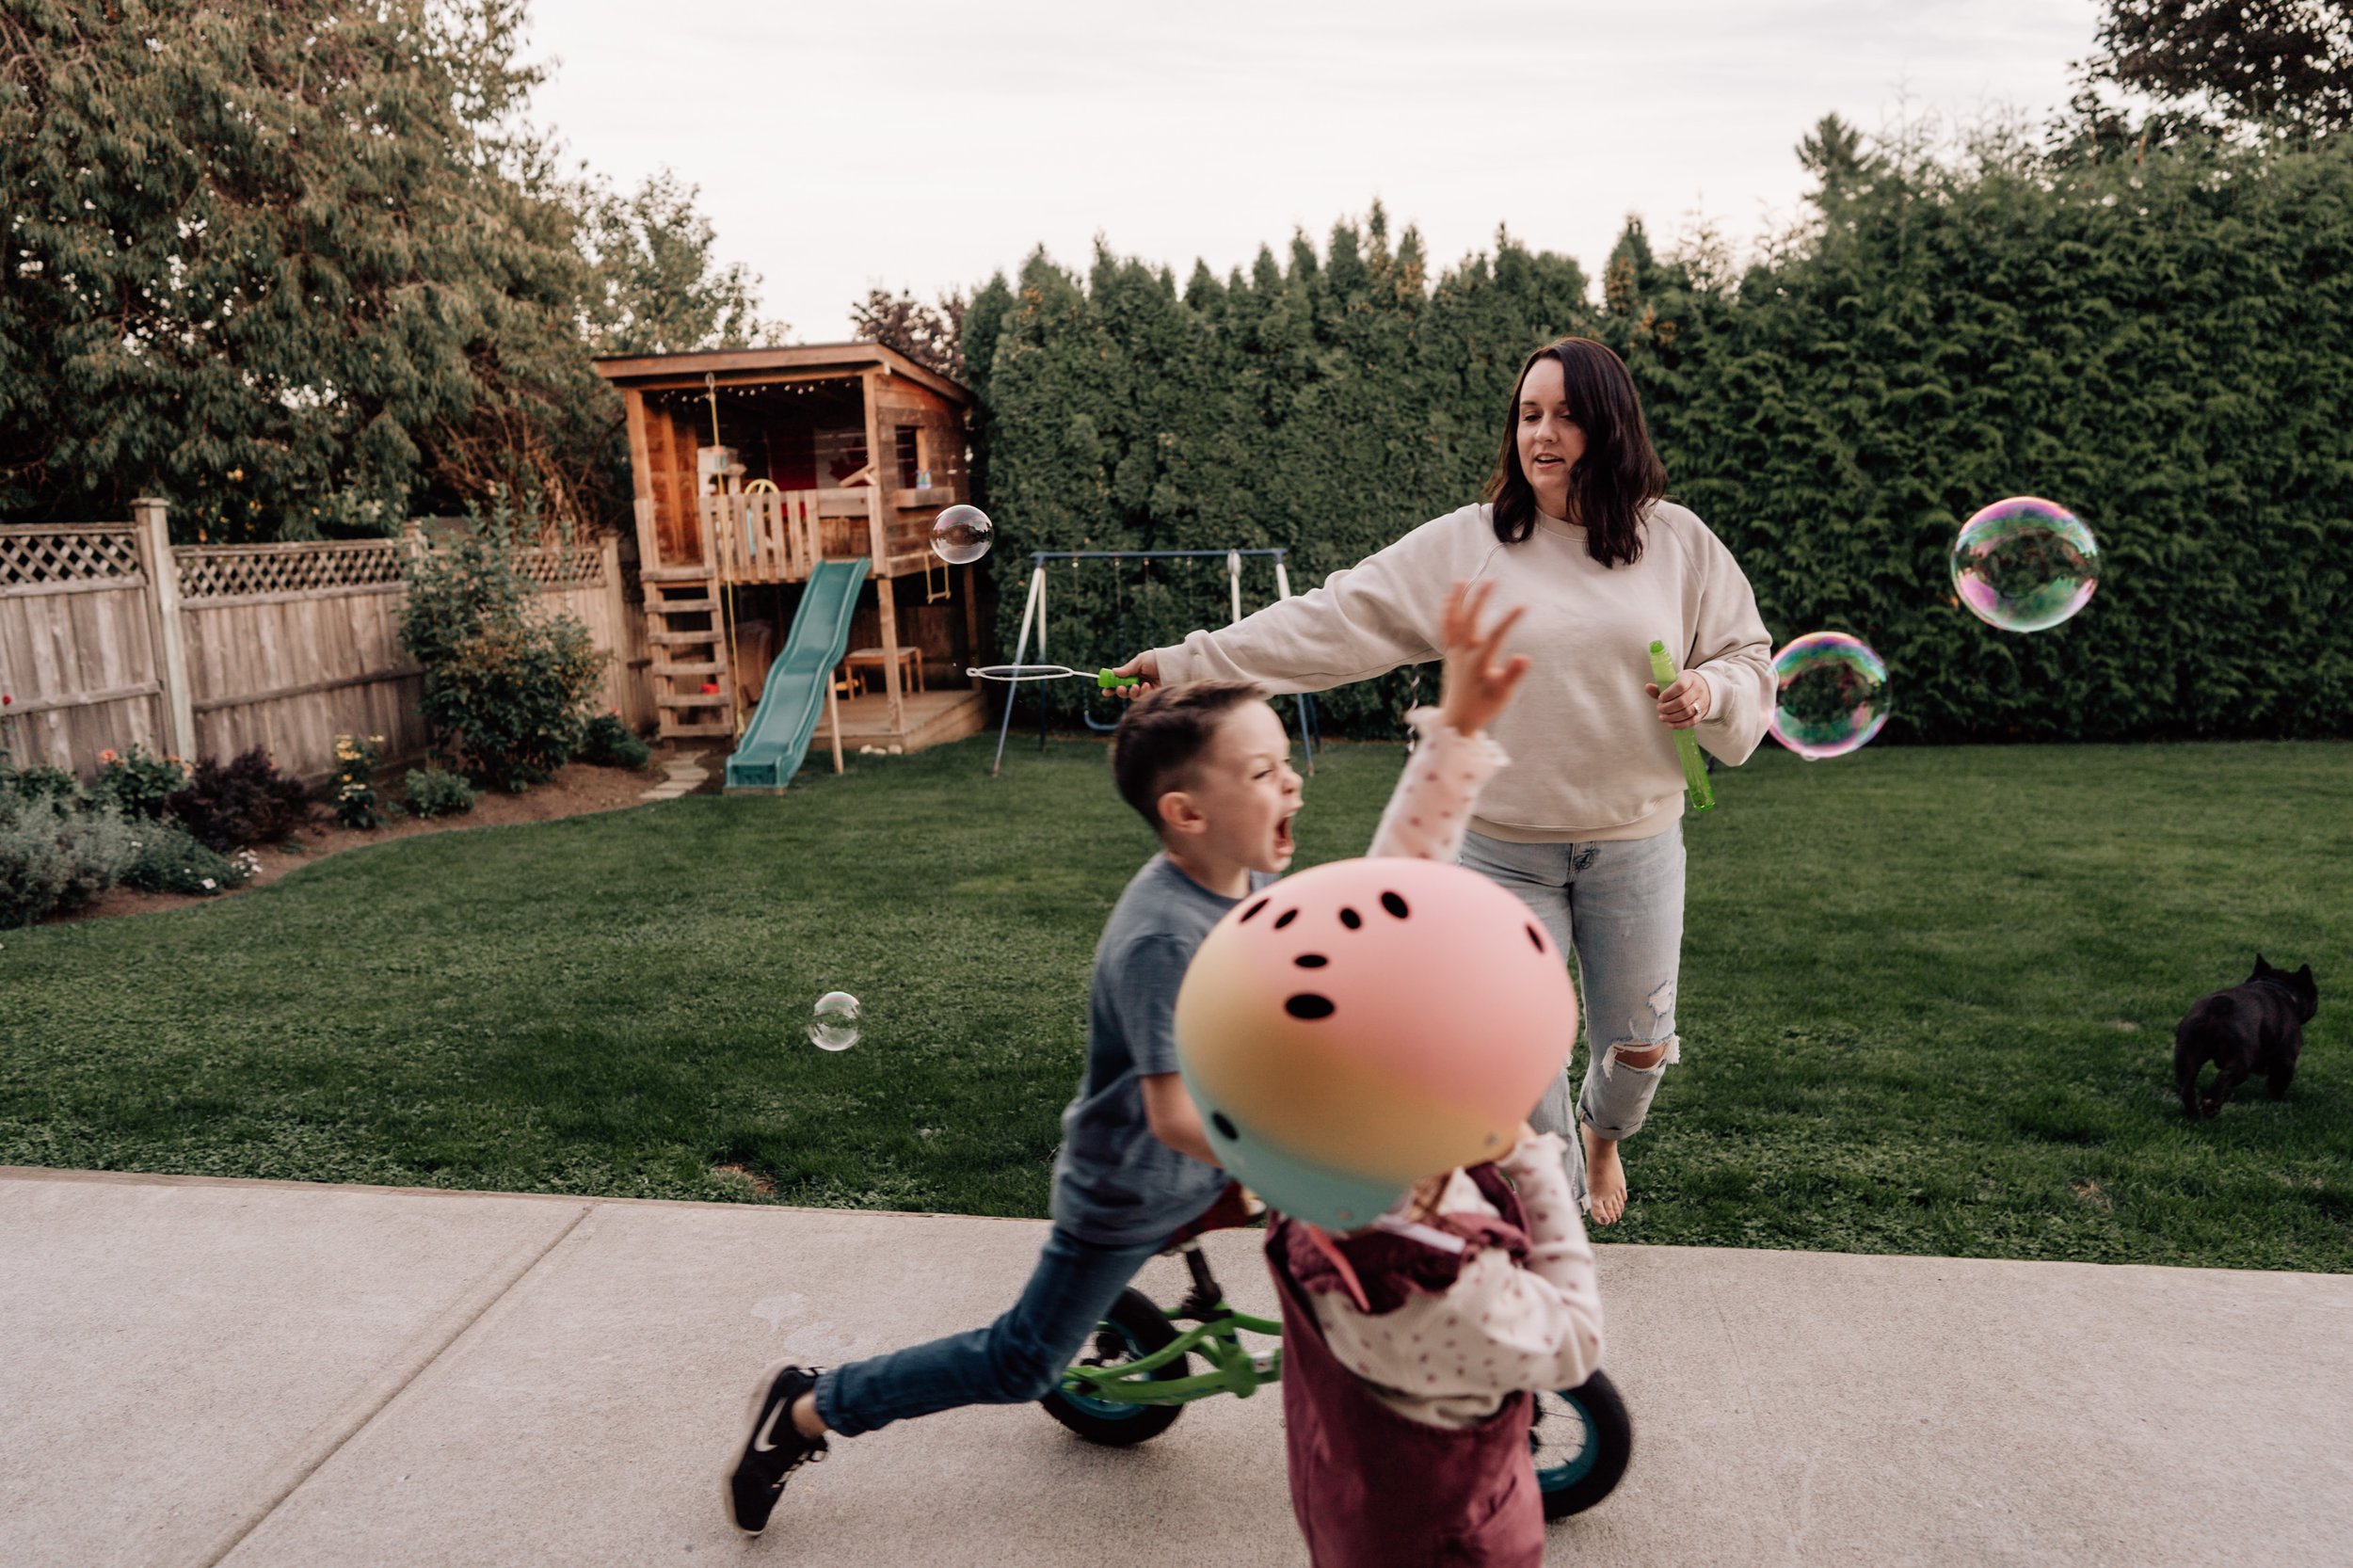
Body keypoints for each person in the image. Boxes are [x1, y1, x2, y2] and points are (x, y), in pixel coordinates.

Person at [723, 580, 1530, 1536]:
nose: (1294, 782)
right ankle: (813, 1404)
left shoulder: (1248, 870)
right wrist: (1306, 1160)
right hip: (1136, 1183)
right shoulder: (1161, 938)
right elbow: (1173, 1114)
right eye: (1266, 770)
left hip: (1207, 1172)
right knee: (1023, 1359)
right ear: (1188, 812)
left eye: (1284, 764)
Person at [1113, 336, 1775, 1225]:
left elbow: (1748, 657)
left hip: (1636, 844)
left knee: (1640, 1046)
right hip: (1500, 853)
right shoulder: (1473, 541)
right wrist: (1189, 665)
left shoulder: (1678, 541)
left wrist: (1711, 687)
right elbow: (1335, 618)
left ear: (1610, 425)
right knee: (1512, 1065)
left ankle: (1603, 1132)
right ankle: (1556, 1231)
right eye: (1530, 413)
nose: (1543, 433)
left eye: (1567, 414)